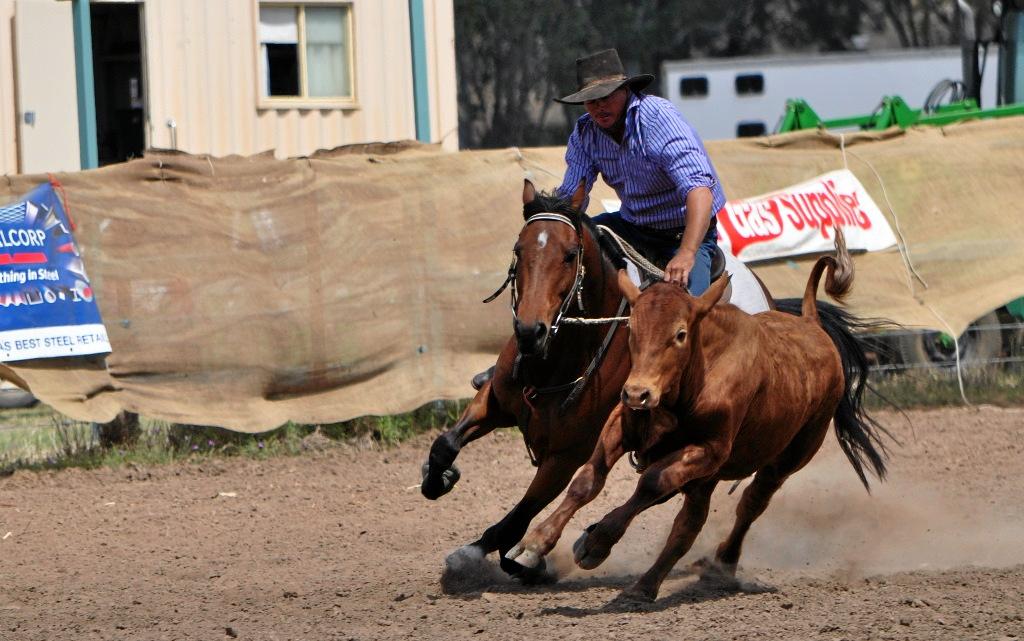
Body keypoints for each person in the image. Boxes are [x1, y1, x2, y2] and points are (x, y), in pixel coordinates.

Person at [554, 48, 725, 294]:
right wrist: (551, 222)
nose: (600, 107)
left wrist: (687, 253)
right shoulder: (585, 133)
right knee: (571, 246)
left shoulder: (657, 119)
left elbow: (699, 189)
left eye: (607, 97)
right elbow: (572, 195)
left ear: (625, 90)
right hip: (632, 227)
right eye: (592, 100)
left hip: (682, 232)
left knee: (685, 310)